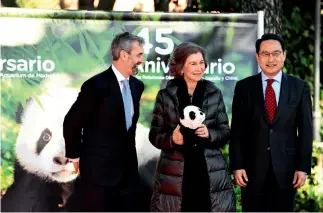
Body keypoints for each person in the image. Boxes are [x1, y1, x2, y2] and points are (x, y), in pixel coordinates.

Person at [229, 33, 313, 212]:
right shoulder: (244, 88)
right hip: (251, 170)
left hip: (287, 170)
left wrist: (302, 167)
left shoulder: (299, 87)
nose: (271, 59)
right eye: (265, 54)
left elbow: (306, 131)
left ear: (284, 55)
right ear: (258, 57)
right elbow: (237, 131)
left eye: (276, 53)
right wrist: (237, 165)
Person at [149, 42, 236, 212]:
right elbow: (154, 134)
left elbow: (225, 132)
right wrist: (171, 139)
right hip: (175, 173)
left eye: (201, 63)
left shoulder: (214, 93)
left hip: (208, 171)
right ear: (181, 68)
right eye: (193, 63)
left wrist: (210, 133)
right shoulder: (166, 95)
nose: (199, 68)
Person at [63, 32, 145, 212]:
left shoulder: (137, 86)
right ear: (124, 55)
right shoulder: (95, 85)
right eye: (139, 54)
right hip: (98, 176)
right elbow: (71, 122)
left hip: (128, 175)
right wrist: (75, 155)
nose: (142, 60)